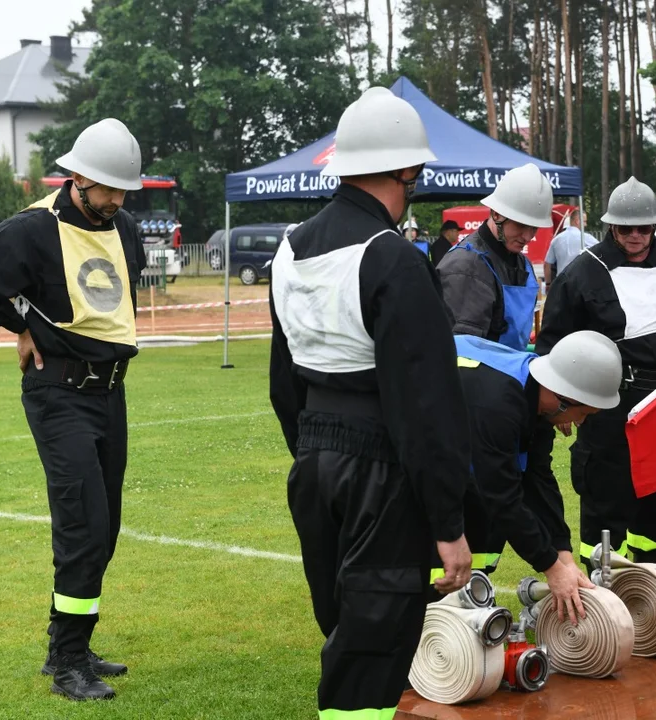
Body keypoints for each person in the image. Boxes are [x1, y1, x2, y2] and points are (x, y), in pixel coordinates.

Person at [268, 86, 473, 719]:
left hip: (313, 458)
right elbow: (425, 406)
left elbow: (284, 381)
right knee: (373, 648)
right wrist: (449, 525)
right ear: (408, 171)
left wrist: (311, 452)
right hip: (379, 468)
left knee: (344, 627)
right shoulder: (394, 259)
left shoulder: (290, 247)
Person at [0, 119, 146, 700]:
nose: (116, 200)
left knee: (105, 525)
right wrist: (20, 324)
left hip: (109, 392)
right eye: (107, 189)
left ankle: (69, 642)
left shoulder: (126, 228)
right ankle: (67, 662)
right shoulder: (32, 229)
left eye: (123, 190)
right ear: (78, 177)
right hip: (57, 391)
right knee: (83, 522)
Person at [536, 176, 656, 568]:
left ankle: (651, 577)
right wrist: (557, 405)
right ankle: (599, 583)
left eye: (643, 227)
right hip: (605, 403)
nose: (635, 236)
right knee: (605, 491)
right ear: (610, 226)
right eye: (625, 228)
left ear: (654, 225)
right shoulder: (584, 272)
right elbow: (552, 345)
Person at [446, 330, 623, 623]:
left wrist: (562, 554)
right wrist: (550, 567)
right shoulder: (497, 405)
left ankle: (460, 603)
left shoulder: (536, 395)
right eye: (584, 414)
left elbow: (537, 478)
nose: (580, 423)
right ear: (563, 399)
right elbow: (501, 496)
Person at [437, 163, 553, 349]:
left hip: (510, 373)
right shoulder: (465, 267)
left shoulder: (522, 264)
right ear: (497, 213)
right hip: (483, 376)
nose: (528, 237)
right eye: (521, 224)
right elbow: (463, 355)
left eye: (534, 228)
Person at [543, 208, 598, 289]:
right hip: (580, 282)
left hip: (561, 283)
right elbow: (602, 251)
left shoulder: (556, 240)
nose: (585, 225)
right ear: (577, 221)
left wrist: (548, 284)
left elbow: (547, 264)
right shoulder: (586, 238)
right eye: (584, 221)